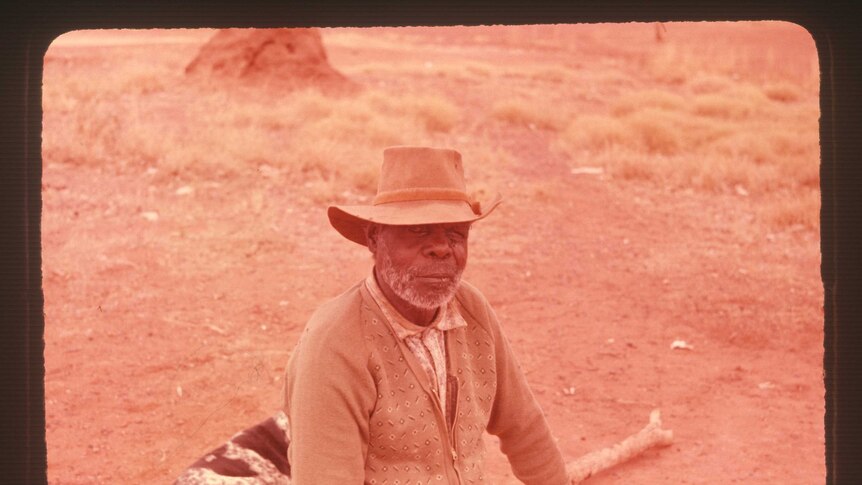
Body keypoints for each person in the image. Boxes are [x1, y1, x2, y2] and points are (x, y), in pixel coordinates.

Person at [284, 146, 570, 484]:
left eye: (455, 234)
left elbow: (524, 427)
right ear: (374, 239)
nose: (442, 248)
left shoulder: (472, 310)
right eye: (418, 230)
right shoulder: (334, 344)